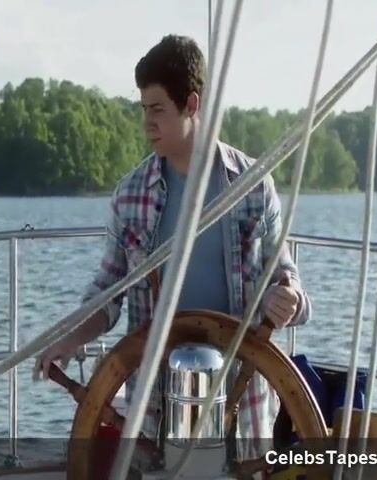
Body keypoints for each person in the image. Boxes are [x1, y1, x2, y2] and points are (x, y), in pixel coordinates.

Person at [34, 35, 312, 460]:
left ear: (192, 104)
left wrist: (288, 299)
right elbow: (107, 295)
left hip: (243, 405)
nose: (147, 122)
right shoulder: (130, 196)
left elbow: (291, 287)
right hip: (156, 407)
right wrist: (68, 339)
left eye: (158, 109)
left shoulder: (254, 187)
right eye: (143, 109)